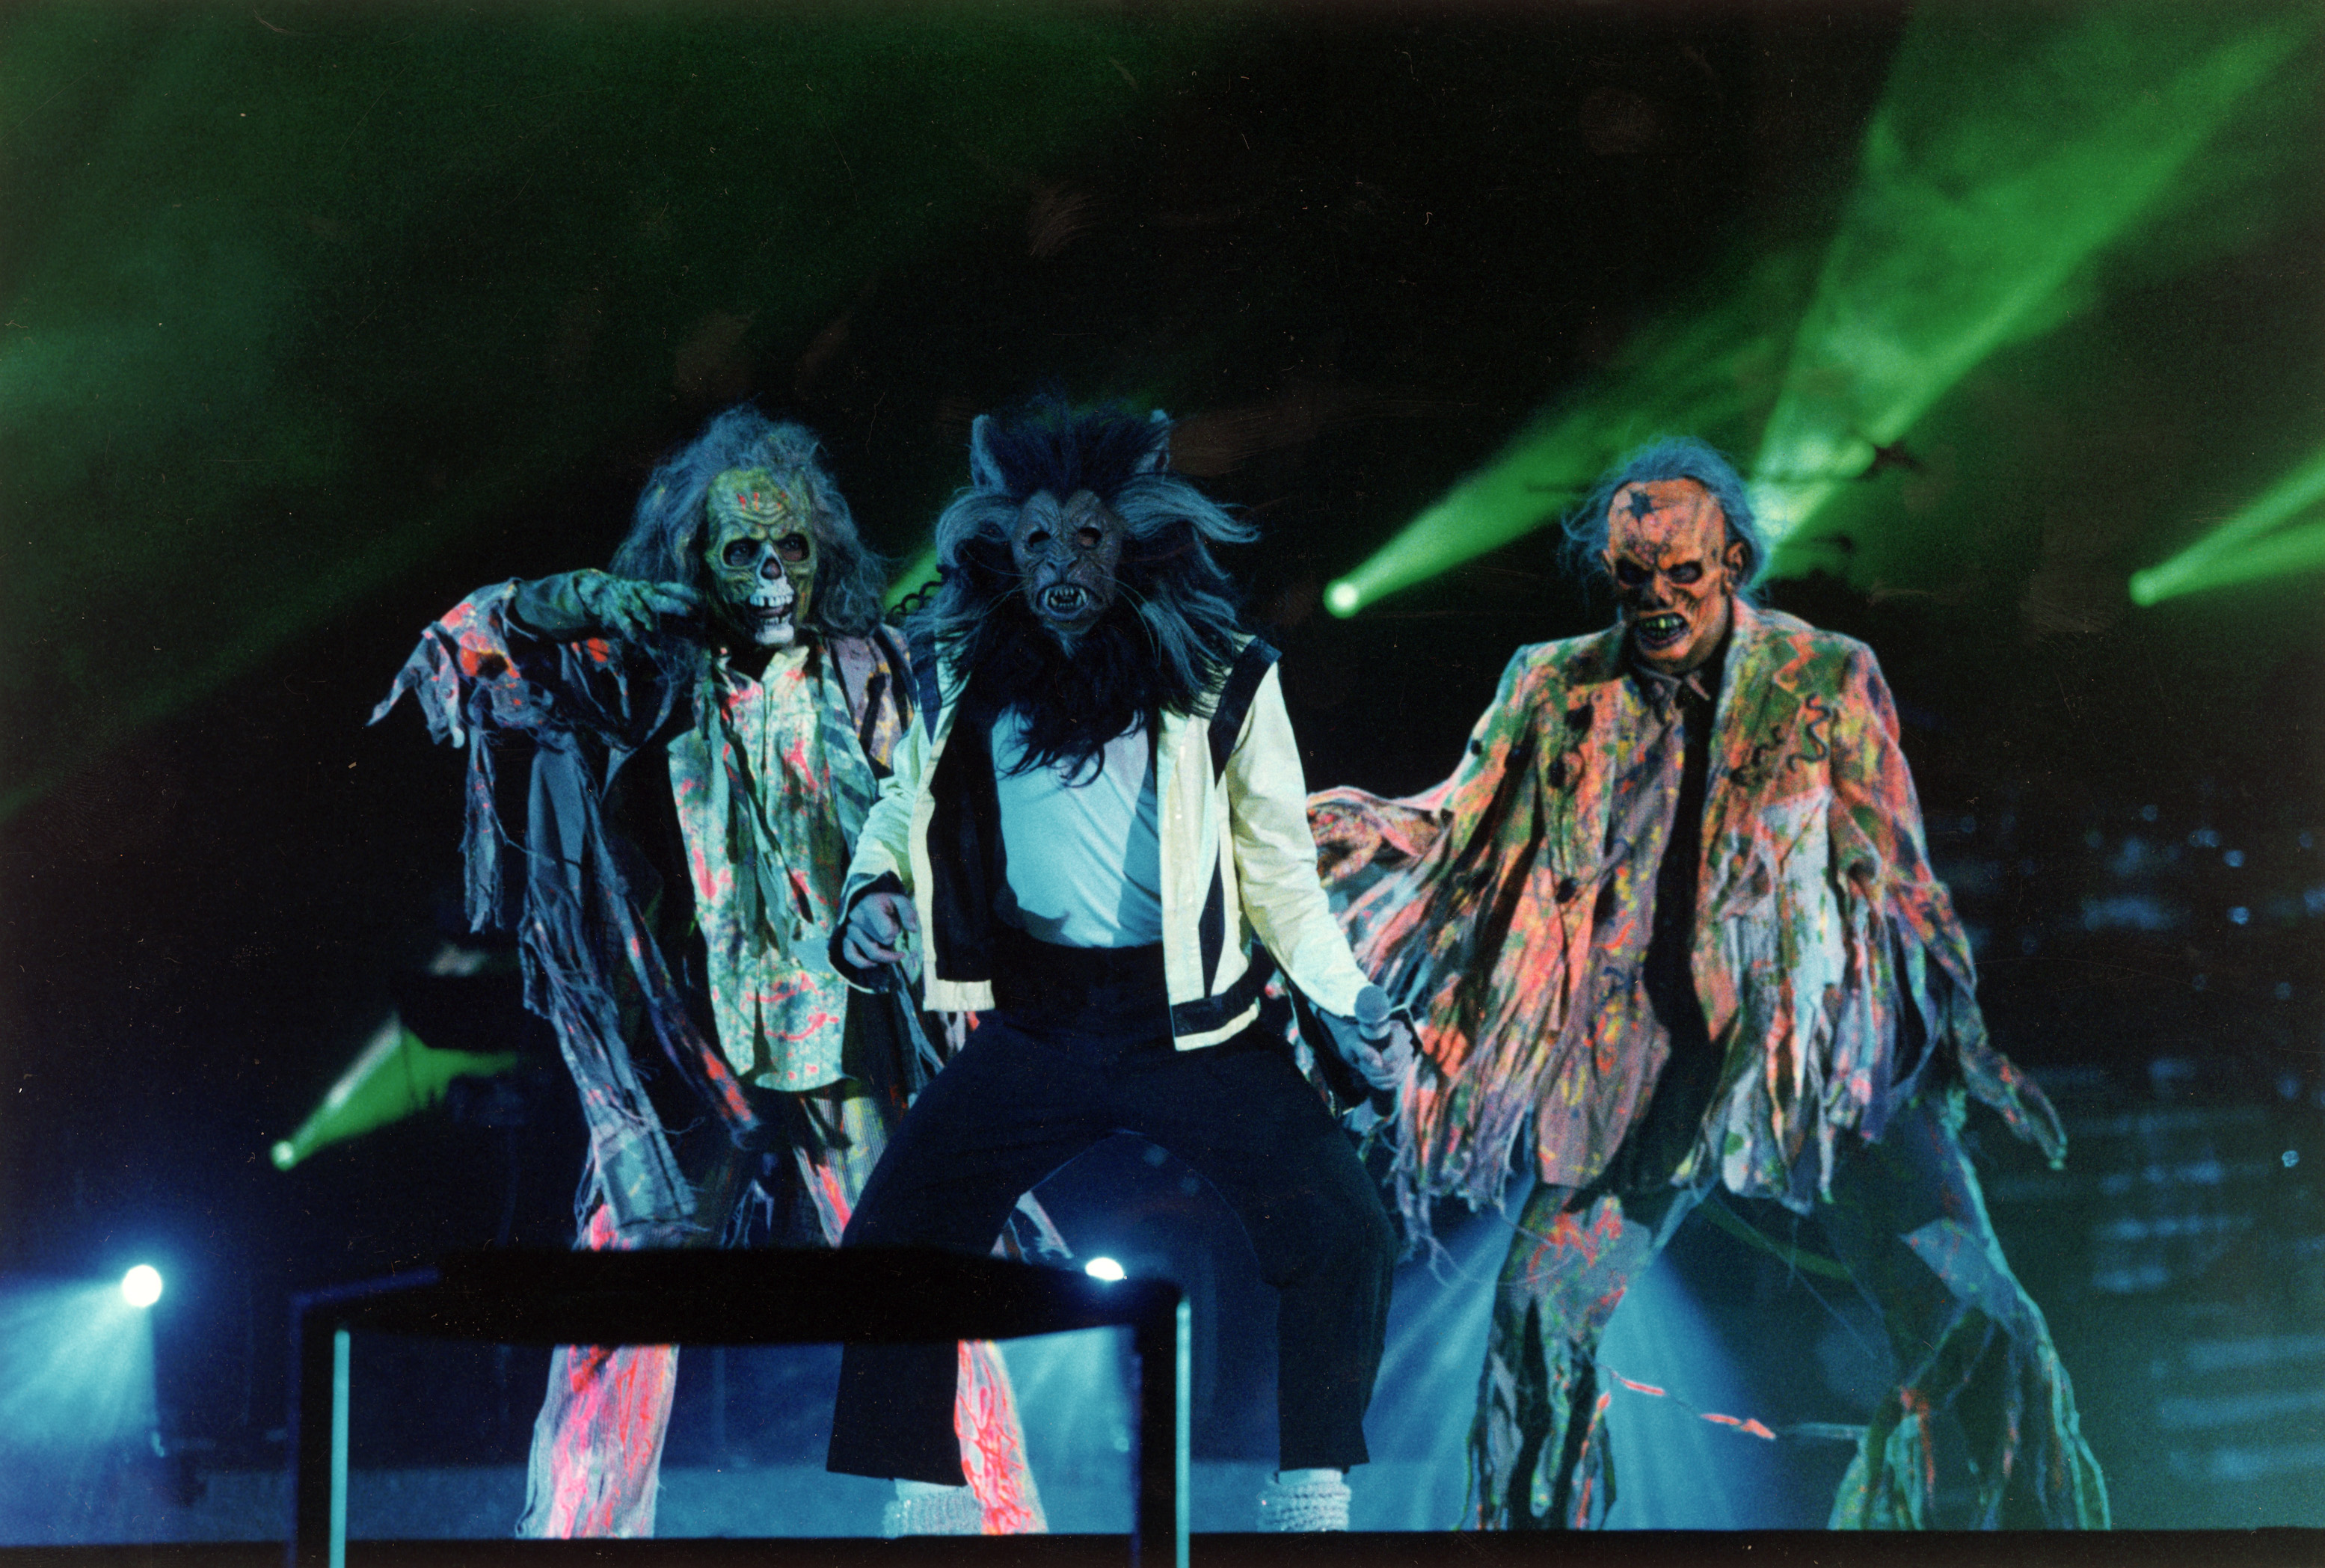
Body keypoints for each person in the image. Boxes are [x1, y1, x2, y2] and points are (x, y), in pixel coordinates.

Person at [1309, 437, 2110, 1530]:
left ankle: (2052, 1542)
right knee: (1540, 1316)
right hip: (1642, 1068)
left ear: (1731, 560)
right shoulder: (1552, 684)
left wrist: (1954, 1042)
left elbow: (1897, 873)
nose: (1654, 597)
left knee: (1979, 1317)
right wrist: (1301, 832)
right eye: (1632, 575)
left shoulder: (1825, 672)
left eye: (1681, 572)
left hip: (1823, 1056)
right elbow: (1456, 828)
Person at [374, 406, 1045, 1537]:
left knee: (925, 1265)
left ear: (822, 550)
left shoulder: (868, 667)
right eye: (741, 549)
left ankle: (973, 1521)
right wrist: (573, 598)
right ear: (692, 557)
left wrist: (899, 911)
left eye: (791, 546)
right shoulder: (639, 669)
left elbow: (932, 813)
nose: (772, 572)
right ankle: (584, 1530)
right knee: (624, 1286)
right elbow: (463, 649)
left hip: (844, 1033)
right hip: (688, 1051)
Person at [823, 396, 1412, 1534]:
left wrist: (1351, 1000)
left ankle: (1313, 1483)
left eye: (1085, 537)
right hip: (1039, 1022)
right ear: (1004, 542)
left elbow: (1281, 873)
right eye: (1037, 538)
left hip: (1191, 1025)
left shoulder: (1225, 677)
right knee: (897, 1232)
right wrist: (873, 891)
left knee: (1342, 1226)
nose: (1060, 563)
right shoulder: (957, 671)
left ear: (1132, 538)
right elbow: (903, 807)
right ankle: (924, 1491)